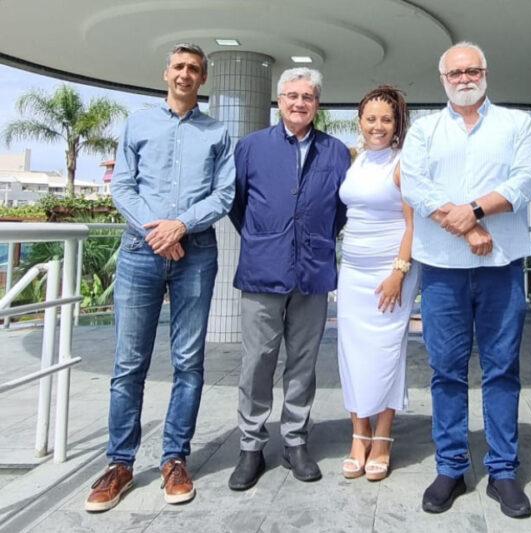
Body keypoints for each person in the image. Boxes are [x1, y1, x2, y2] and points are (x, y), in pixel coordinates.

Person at [86, 43, 235, 512]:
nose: (185, 74)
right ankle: (120, 464)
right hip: (139, 252)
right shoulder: (137, 123)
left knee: (189, 361)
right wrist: (158, 232)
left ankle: (174, 459)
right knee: (129, 364)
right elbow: (122, 187)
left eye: (194, 69)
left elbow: (224, 194)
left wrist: (180, 226)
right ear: (166, 72)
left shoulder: (218, 132)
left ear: (203, 79)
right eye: (179, 66)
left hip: (196, 253)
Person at [401, 42, 531, 518]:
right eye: (455, 72)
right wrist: (468, 226)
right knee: (446, 372)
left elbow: (526, 181)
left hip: (500, 267)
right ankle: (452, 467)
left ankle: (503, 471)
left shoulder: (517, 125)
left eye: (472, 70)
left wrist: (476, 209)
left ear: (486, 73)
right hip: (442, 269)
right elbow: (415, 186)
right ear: (443, 79)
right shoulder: (423, 130)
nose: (464, 78)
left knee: (502, 370)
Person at [227, 67, 351, 490]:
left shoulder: (334, 151)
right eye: (292, 95)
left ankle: (295, 440)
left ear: (318, 103)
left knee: (303, 361)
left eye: (308, 97)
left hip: (312, 272)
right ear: (279, 100)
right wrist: (269, 239)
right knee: (257, 361)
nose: (299, 103)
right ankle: (250, 446)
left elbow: (341, 210)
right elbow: (236, 204)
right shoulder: (251, 147)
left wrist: (311, 240)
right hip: (263, 270)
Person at [337, 86, 419, 482]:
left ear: (397, 124)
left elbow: (413, 223)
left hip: (392, 271)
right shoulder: (352, 161)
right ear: (360, 122)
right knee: (352, 353)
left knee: (387, 352)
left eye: (386, 119)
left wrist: (399, 272)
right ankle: (359, 434)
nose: (378, 126)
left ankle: (383, 437)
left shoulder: (403, 163)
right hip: (351, 270)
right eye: (371, 118)